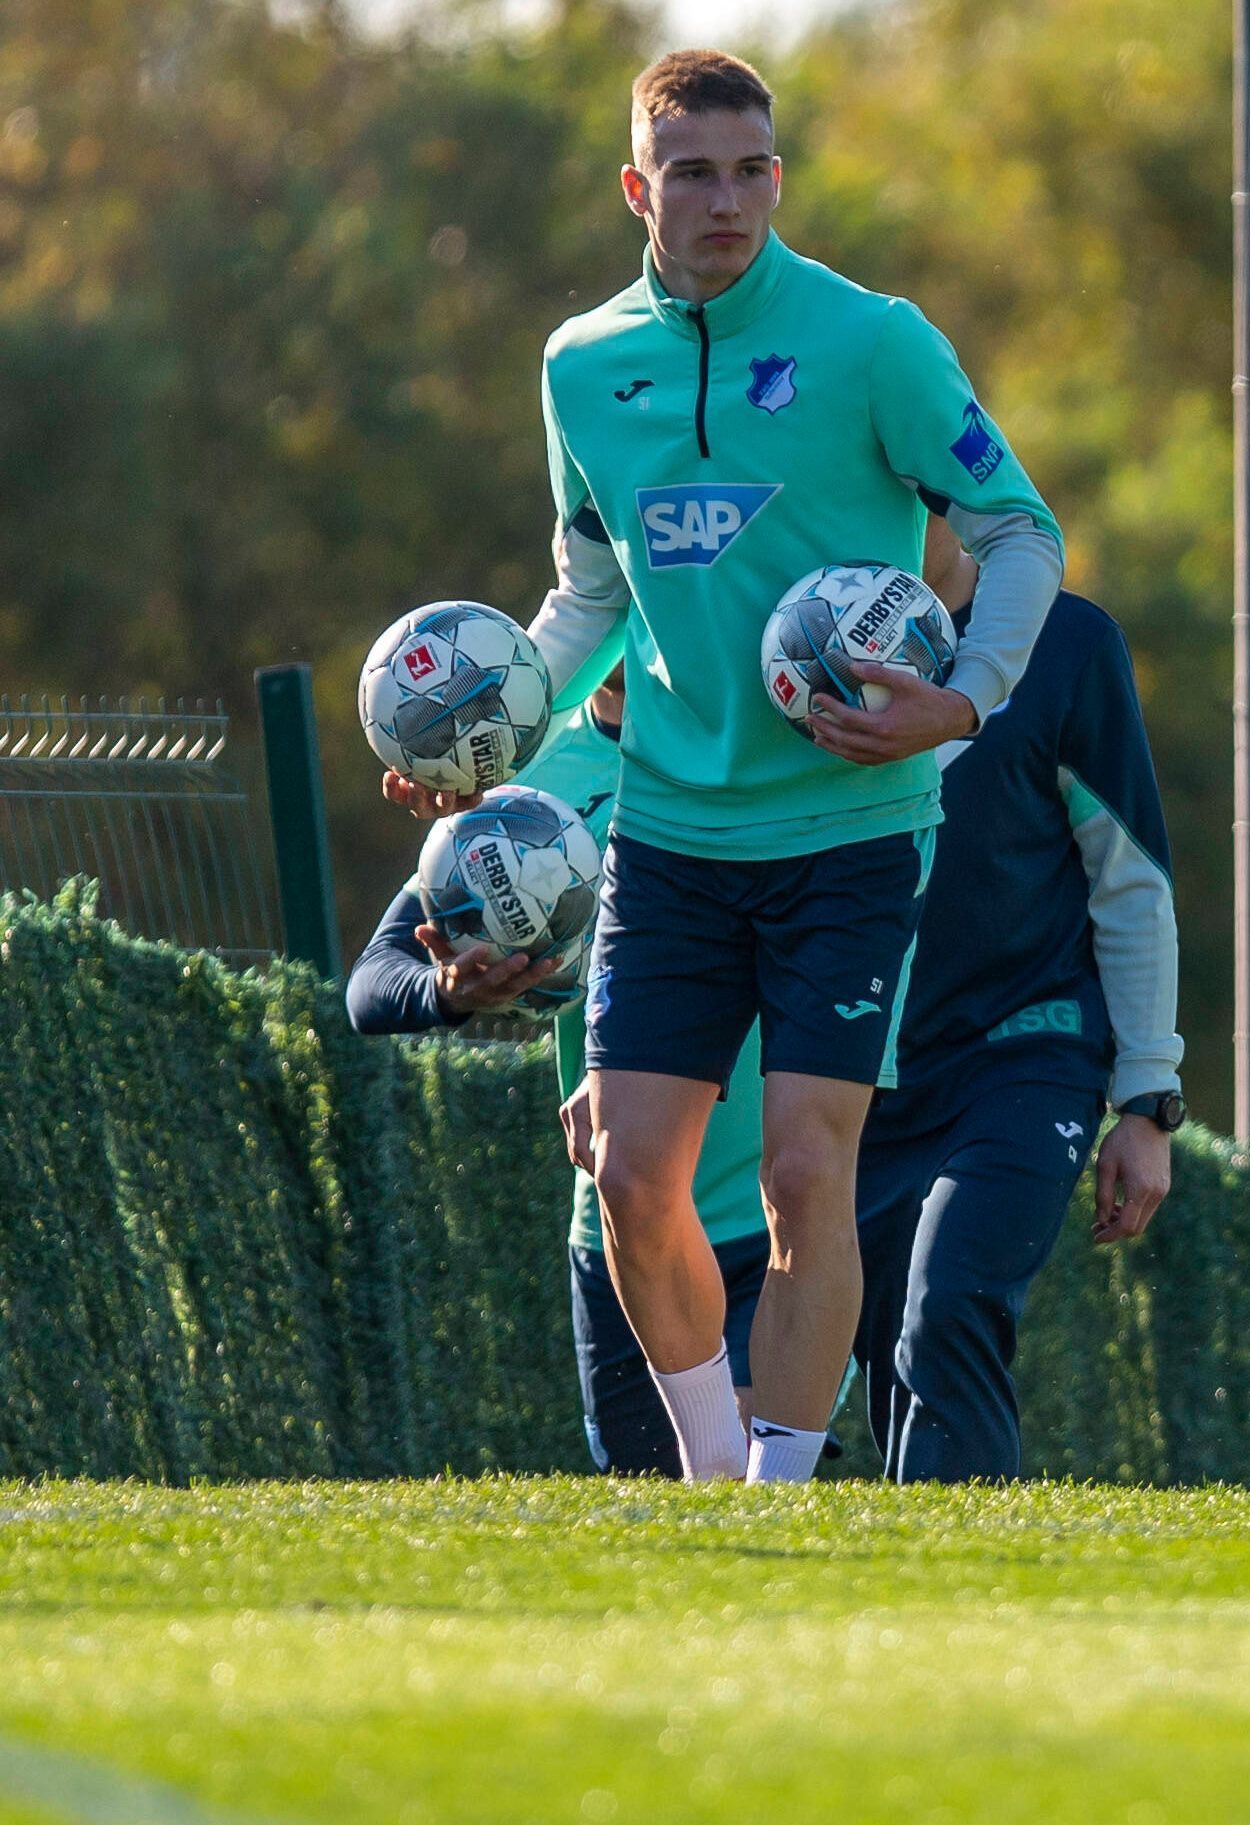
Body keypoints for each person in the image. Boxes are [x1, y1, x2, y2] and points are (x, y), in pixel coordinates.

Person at [386, 51, 1065, 1482]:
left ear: (778, 178)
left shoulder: (873, 342)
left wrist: (956, 701)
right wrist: (496, 742)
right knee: (632, 1182)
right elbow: (588, 593)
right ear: (639, 189)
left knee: (805, 1171)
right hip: (675, 833)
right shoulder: (582, 365)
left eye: (752, 168)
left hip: (854, 819)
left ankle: (786, 1487)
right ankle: (712, 1482)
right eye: (691, 172)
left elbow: (1018, 531)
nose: (727, 199)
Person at [347, 673, 774, 1478]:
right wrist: (449, 988)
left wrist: (659, 1061)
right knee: (663, 1530)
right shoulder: (525, 776)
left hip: (776, 1211)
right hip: (616, 1225)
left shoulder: (767, 747)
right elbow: (372, 984)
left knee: (751, 1481)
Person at [849, 520, 1183, 1481]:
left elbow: (1131, 880)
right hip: (859, 1076)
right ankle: (922, 1598)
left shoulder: (1068, 643)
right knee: (887, 1354)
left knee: (949, 1300)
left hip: (1027, 1051)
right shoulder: (804, 656)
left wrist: (1147, 1097)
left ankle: (964, 1588)